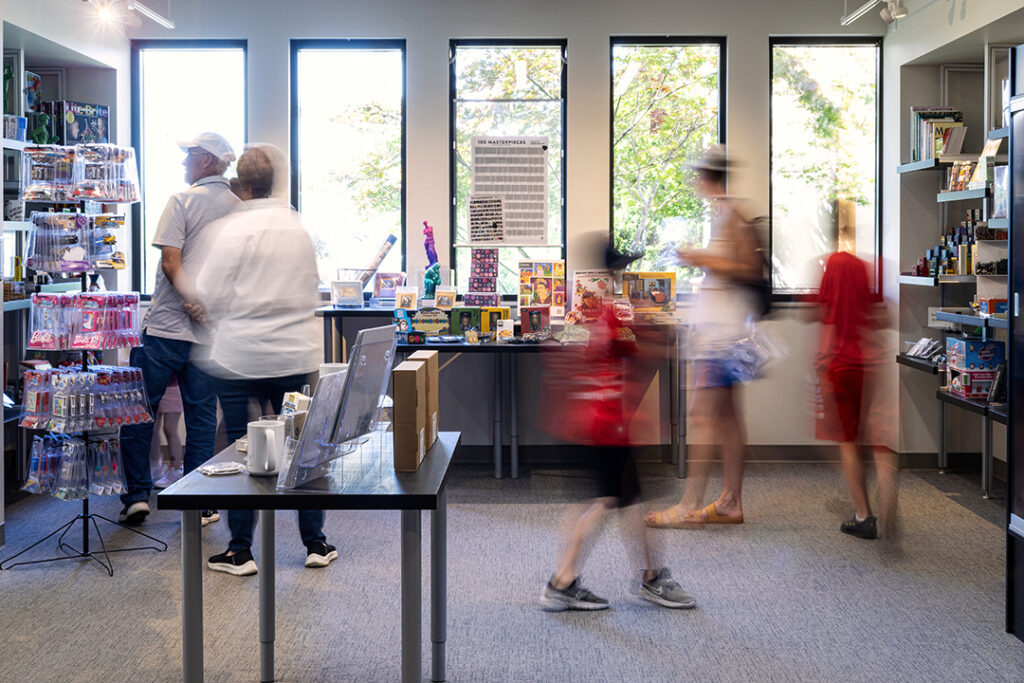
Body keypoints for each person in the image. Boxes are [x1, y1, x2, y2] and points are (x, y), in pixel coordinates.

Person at [195, 143, 335, 576]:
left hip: (241, 358)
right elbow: (312, 287)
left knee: (243, 449)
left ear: (242, 182)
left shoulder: (231, 229)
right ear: (276, 180)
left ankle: (241, 551)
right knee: (305, 448)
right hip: (295, 354)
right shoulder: (296, 227)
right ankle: (315, 543)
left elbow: (209, 292)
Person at [538, 234, 695, 612]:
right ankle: (563, 582)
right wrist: (669, 341)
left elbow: (568, 347)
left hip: (598, 422)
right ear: (615, 271)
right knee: (607, 502)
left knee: (626, 502)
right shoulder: (608, 313)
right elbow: (630, 350)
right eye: (624, 268)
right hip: (607, 426)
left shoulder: (588, 313)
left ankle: (650, 576)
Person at [118, 132, 241, 525]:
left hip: (168, 328)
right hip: (208, 335)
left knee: (140, 412)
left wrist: (193, 301)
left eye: (189, 156)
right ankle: (200, 501)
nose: (184, 163)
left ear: (207, 161)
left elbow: (172, 263)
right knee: (202, 418)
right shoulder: (240, 210)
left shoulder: (181, 201)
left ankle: (137, 495)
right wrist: (209, 309)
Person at [645, 144, 762, 529]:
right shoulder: (724, 214)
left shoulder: (731, 215)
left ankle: (689, 504)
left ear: (707, 177)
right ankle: (730, 501)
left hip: (722, 338)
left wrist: (701, 258)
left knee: (702, 415)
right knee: (727, 418)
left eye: (698, 175)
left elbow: (746, 268)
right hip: (725, 333)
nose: (695, 182)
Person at [815, 251, 898, 539]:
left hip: (840, 365)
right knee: (874, 436)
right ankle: (888, 495)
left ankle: (863, 514)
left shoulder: (833, 273)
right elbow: (882, 319)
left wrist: (820, 361)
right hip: (869, 362)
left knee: (848, 439)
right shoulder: (865, 275)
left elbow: (823, 317)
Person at [151, 375, 184, 489]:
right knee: (152, 428)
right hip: (154, 385)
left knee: (170, 428)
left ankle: (175, 469)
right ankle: (155, 465)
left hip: (172, 386)